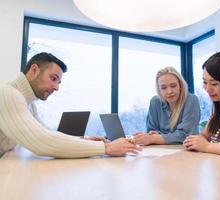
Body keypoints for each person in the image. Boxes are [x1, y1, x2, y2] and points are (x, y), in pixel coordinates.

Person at [0, 52, 141, 158]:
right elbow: (41, 140)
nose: (56, 87)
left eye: (58, 82)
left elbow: (46, 133)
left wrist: (83, 140)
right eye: (53, 78)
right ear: (34, 70)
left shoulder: (29, 103)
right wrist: (106, 148)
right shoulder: (8, 94)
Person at [133, 66, 200, 146]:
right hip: (161, 152)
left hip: (188, 152)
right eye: (163, 88)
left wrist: (153, 138)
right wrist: (153, 135)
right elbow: (151, 130)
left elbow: (185, 135)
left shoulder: (191, 100)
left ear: (180, 86)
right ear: (159, 90)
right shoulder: (155, 102)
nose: (169, 91)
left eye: (173, 86)